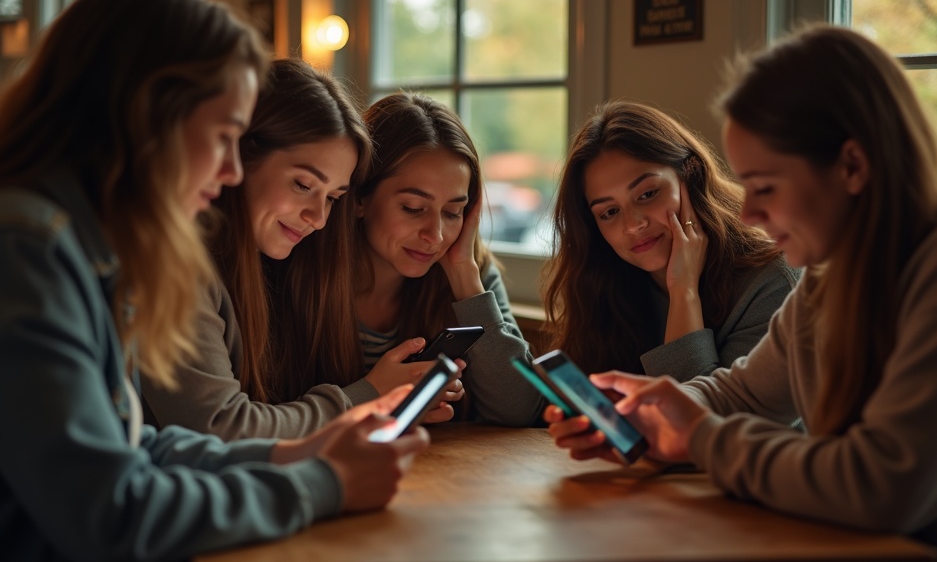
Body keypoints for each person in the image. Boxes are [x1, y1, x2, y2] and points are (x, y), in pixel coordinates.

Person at [546, 25, 937, 562]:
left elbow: (883, 485)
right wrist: (659, 413)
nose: (748, 214)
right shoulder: (834, 271)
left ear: (852, 166)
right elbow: (747, 393)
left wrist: (700, 439)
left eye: (766, 187)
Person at [0, 0, 427, 562]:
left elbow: (132, 445)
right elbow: (111, 512)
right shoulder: (26, 250)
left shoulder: (80, 247)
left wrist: (290, 454)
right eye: (224, 135)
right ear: (146, 115)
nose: (230, 171)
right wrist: (322, 484)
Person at [139, 58, 444, 440]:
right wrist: (367, 397)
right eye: (303, 184)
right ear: (238, 159)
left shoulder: (270, 266)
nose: (318, 218)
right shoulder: (173, 267)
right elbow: (221, 428)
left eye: (333, 197)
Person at [543, 100, 799, 378]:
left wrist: (684, 292)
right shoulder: (607, 283)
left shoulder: (772, 283)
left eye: (647, 194)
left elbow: (704, 419)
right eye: (610, 212)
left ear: (691, 176)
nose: (633, 225)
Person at [341, 92, 544, 426]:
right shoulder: (305, 274)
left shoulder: (468, 272)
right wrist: (372, 396)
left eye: (453, 212)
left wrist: (466, 278)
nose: (435, 235)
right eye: (413, 208)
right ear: (360, 197)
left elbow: (520, 409)